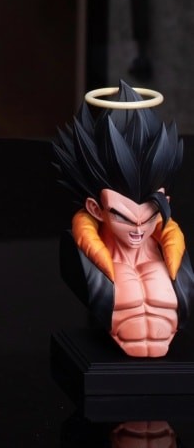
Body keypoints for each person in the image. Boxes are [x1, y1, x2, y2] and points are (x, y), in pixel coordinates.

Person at [52, 83, 193, 358]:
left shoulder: (175, 253)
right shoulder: (80, 257)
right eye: (123, 217)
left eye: (150, 216)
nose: (138, 229)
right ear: (96, 209)